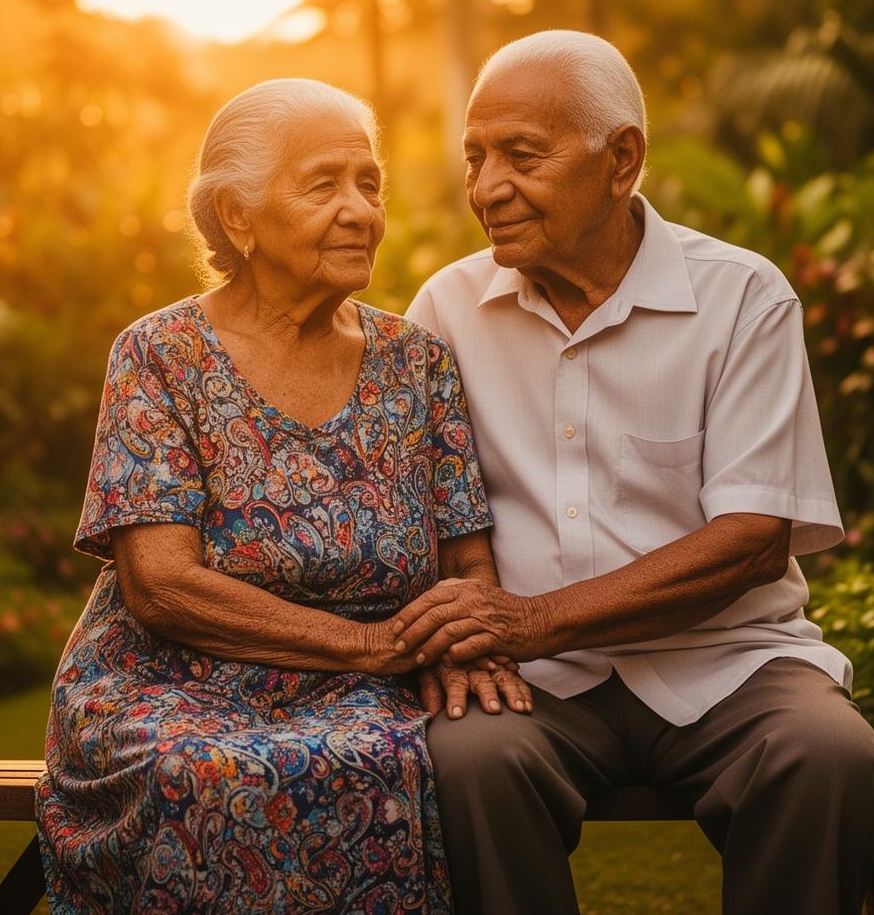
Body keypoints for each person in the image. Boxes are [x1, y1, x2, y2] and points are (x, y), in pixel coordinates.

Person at [401, 31, 874, 915]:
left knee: (826, 757)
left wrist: (530, 619)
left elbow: (749, 543)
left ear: (621, 159)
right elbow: (423, 514)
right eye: (475, 158)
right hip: (531, 685)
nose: (486, 189)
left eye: (522, 156)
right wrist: (470, 636)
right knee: (470, 763)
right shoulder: (444, 309)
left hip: (730, 662)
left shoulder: (743, 296)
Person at [35, 78, 527, 914]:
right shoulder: (161, 355)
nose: (360, 210)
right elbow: (161, 586)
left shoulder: (417, 363)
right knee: (205, 776)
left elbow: (466, 554)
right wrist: (365, 646)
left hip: (358, 689)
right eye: (323, 184)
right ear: (237, 219)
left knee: (383, 765)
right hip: (166, 681)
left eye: (368, 183)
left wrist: (462, 636)